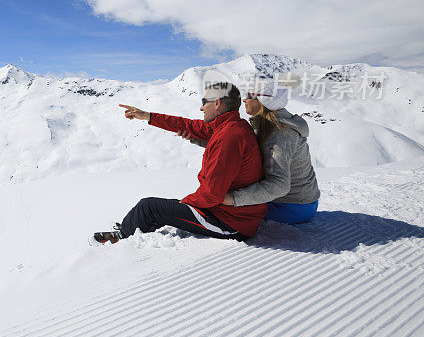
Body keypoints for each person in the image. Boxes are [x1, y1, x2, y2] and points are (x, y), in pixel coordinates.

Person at [96, 82, 267, 244]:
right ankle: (134, 226)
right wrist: (147, 116)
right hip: (229, 213)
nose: (201, 107)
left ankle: (123, 237)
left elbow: (211, 194)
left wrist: (184, 203)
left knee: (148, 207)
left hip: (230, 223)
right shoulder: (229, 126)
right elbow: (187, 125)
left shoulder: (229, 137)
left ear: (217, 103)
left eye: (204, 102)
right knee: (162, 208)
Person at [180, 81, 320, 224]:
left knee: (220, 210)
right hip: (291, 201)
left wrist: (234, 198)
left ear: (264, 100)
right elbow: (240, 150)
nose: (245, 99)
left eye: (250, 95)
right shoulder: (265, 124)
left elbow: (279, 184)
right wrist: (197, 139)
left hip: (294, 205)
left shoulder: (280, 135)